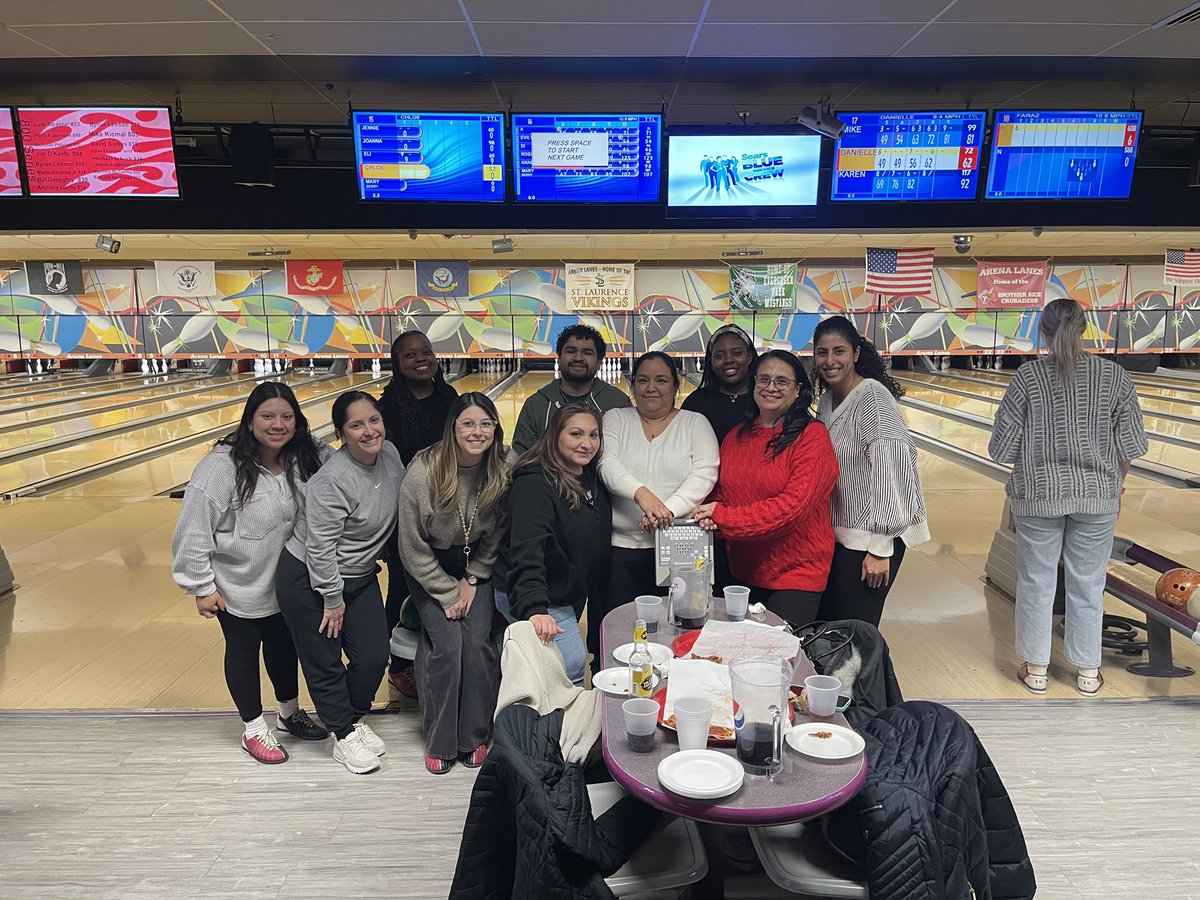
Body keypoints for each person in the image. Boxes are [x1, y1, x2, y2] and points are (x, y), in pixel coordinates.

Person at [989, 297, 1147, 696]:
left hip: (1038, 497)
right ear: (1085, 329)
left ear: (1041, 331)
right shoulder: (1114, 377)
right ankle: (1088, 673)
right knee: (1088, 584)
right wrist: (1114, 483)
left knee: (1037, 581)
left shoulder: (1026, 379)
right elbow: (1130, 445)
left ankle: (1036, 668)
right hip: (1097, 498)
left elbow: (1001, 449)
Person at [172, 382, 330, 764]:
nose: (278, 424)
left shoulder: (305, 455)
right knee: (243, 651)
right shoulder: (220, 467)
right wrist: (200, 586)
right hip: (235, 584)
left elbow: (346, 463)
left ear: (298, 421)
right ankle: (255, 729)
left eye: (287, 416)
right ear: (250, 419)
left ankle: (289, 713)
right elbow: (193, 527)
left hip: (287, 581)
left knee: (282, 645)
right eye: (268, 416)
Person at [275, 390, 403, 774]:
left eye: (374, 420)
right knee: (325, 661)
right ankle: (344, 736)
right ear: (340, 433)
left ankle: (351, 719)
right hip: (310, 579)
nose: (369, 431)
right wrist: (332, 598)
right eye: (356, 425)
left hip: (359, 576)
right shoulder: (332, 480)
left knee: (374, 655)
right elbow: (320, 547)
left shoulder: (392, 456)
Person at [398, 393, 511, 775]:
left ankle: (474, 736)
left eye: (485, 424)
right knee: (447, 645)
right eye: (468, 423)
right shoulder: (424, 472)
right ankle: (440, 739)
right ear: (452, 428)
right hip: (429, 567)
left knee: (476, 643)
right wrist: (447, 591)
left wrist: (474, 576)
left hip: (476, 565)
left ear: (496, 429)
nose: (477, 432)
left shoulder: (502, 467)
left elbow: (498, 533)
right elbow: (411, 547)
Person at [692, 350, 838, 629]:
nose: (771, 387)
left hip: (796, 575)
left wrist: (723, 517)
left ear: (798, 391)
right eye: (764, 379)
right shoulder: (737, 436)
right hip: (742, 572)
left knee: (777, 664)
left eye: (782, 381)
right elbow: (722, 492)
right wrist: (714, 518)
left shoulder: (812, 437)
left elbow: (792, 508)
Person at [811, 315, 930, 627]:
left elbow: (893, 469)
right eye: (822, 352)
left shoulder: (873, 399)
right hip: (843, 537)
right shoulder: (827, 400)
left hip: (872, 540)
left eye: (839, 351)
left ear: (856, 354)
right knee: (836, 630)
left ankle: (871, 679)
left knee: (856, 634)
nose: (830, 360)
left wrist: (880, 548)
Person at [495, 404, 611, 686]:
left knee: (552, 670)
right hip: (536, 590)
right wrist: (535, 609)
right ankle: (554, 728)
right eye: (576, 434)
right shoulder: (535, 484)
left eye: (594, 435)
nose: (587, 443)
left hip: (564, 587)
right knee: (569, 665)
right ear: (554, 436)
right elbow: (526, 551)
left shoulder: (588, 475)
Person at [597, 351, 718, 616]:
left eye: (661, 380)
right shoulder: (616, 418)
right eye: (642, 380)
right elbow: (606, 465)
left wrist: (666, 512)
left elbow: (704, 474)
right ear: (633, 386)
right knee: (617, 630)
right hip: (619, 548)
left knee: (676, 630)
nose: (651, 388)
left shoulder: (695, 423)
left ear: (676, 386)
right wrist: (642, 495)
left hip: (679, 548)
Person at [378, 330, 459, 699]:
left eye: (426, 352)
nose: (421, 359)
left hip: (451, 511)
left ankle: (441, 653)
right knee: (402, 588)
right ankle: (399, 665)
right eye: (410, 355)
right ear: (398, 363)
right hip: (407, 513)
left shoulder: (450, 398)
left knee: (444, 583)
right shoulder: (387, 407)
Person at [510, 323, 630, 454]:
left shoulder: (618, 402)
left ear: (599, 361)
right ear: (559, 356)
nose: (578, 357)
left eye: (587, 353)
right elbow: (522, 459)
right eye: (570, 351)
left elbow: (630, 452)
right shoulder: (536, 405)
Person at [681, 323, 759, 444]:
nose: (728, 360)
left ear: (749, 357)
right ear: (711, 362)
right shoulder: (695, 404)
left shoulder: (765, 399)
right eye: (719, 356)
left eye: (737, 353)